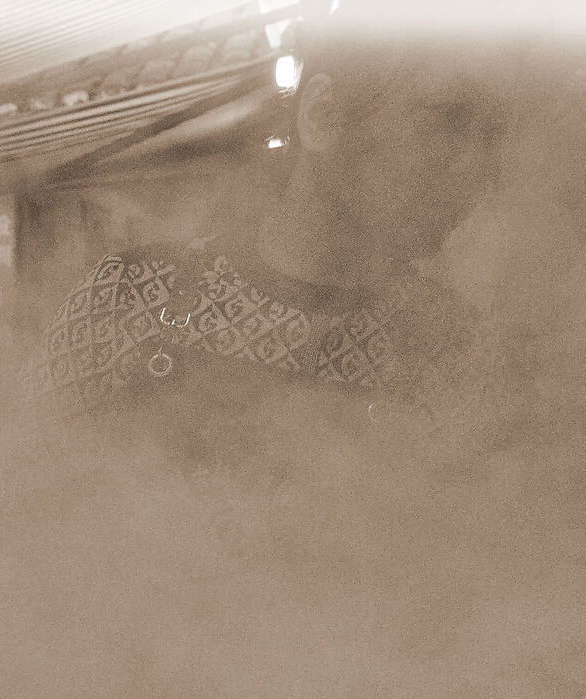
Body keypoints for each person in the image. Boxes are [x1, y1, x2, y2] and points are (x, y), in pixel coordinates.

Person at [31, 27, 508, 453]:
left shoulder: (456, 352)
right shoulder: (125, 298)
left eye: (495, 137)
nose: (482, 169)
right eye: (449, 120)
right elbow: (17, 511)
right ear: (323, 115)